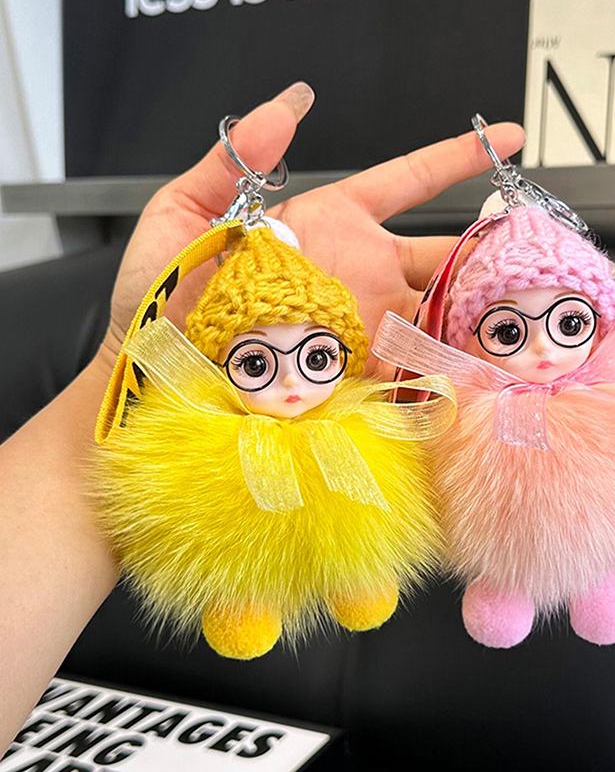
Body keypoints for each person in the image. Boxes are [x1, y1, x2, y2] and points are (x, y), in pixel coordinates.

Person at [0, 81, 525, 750]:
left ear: (343, 354)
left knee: (361, 520)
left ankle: (359, 576)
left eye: (317, 357)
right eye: (255, 364)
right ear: (221, 362)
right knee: (221, 525)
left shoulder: (357, 420)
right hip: (222, 442)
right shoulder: (201, 419)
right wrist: (121, 360)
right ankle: (243, 597)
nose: (292, 381)